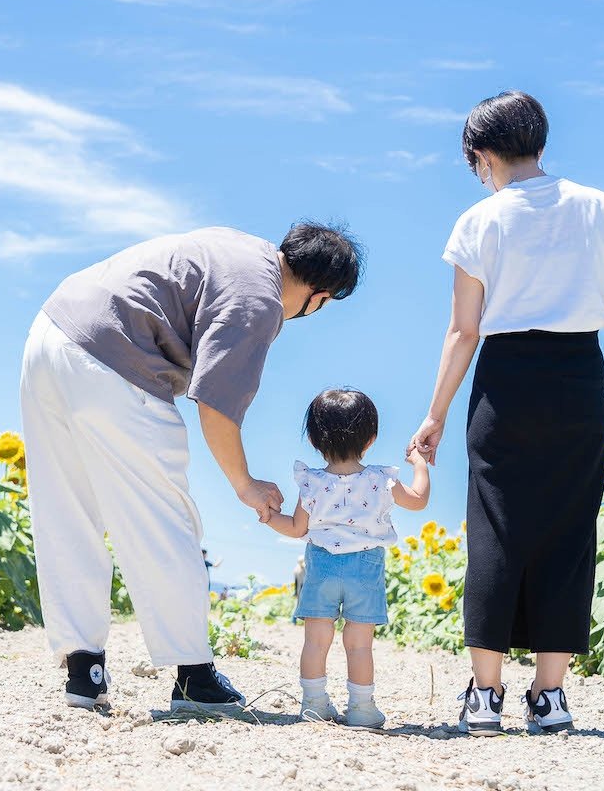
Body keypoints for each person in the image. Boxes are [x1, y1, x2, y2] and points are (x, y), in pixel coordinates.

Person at [21, 223, 365, 712]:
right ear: (320, 294)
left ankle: (84, 671)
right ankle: (193, 677)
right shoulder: (260, 298)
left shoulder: (238, 246)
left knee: (66, 509)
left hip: (49, 332)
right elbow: (217, 404)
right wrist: (245, 484)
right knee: (164, 516)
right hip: (114, 356)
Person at [408, 91, 604, 736]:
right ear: (540, 141)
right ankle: (549, 698)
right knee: (569, 530)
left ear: (483, 154)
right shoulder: (600, 207)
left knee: (495, 527)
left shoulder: (479, 220)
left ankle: (485, 697)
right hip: (578, 376)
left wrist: (434, 415)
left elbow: (463, 331)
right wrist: (579, 311)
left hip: (505, 380)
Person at [262, 389, 431, 727]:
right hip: (365, 569)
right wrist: (420, 464)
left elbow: (297, 528)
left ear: (313, 439)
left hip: (322, 566)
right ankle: (362, 709)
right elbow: (418, 500)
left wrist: (268, 516)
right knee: (358, 644)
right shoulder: (382, 479)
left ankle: (313, 704)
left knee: (316, 640)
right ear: (371, 439)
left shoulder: (312, 481)